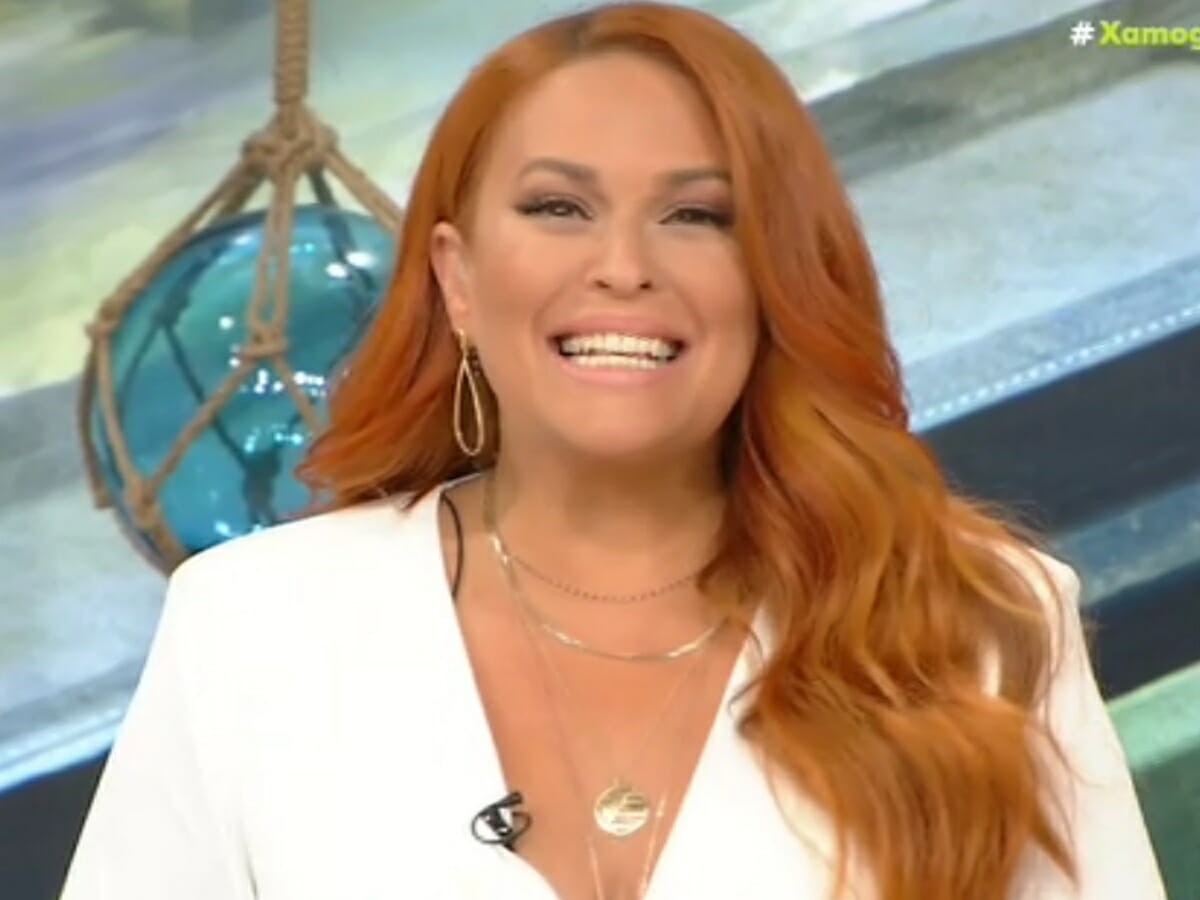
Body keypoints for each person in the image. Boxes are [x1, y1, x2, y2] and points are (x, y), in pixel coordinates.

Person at [58, 3, 1167, 899]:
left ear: (776, 277)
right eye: (558, 208)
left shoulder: (986, 623)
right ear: (456, 278)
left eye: (697, 216)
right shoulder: (248, 628)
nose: (624, 267)